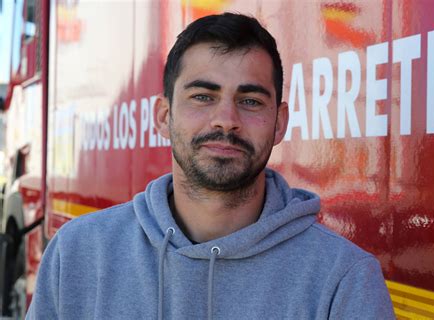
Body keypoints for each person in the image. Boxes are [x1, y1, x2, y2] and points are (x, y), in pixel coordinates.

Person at [27, 13, 395, 319]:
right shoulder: (78, 254)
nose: (225, 119)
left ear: (280, 123)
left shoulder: (344, 279)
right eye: (203, 96)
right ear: (163, 115)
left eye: (250, 100)